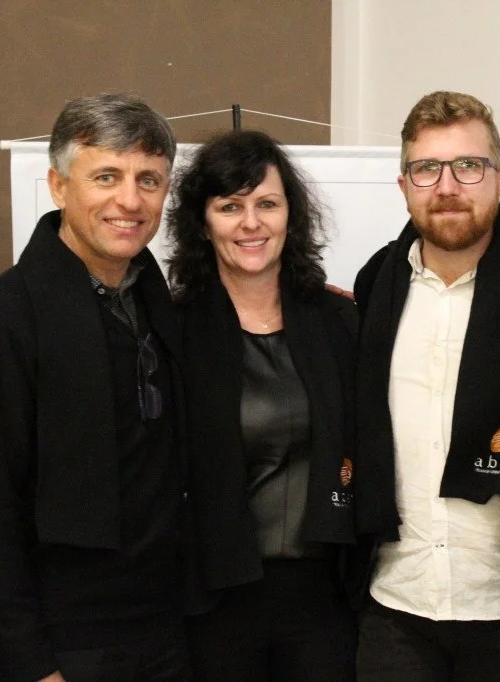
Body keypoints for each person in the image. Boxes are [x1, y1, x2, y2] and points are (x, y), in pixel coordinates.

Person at [0, 94, 189, 681]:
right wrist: (28, 664)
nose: (130, 200)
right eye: (106, 176)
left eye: (149, 180)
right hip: (63, 647)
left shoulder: (157, 301)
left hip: (166, 632)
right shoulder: (3, 323)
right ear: (58, 186)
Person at [353, 90, 500, 681]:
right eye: (427, 168)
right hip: (396, 604)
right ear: (404, 185)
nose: (447, 187)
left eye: (468, 166)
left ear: (499, 179)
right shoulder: (376, 283)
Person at [167, 129, 358, 681]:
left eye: (267, 204)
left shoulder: (340, 323)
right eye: (230, 206)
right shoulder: (173, 332)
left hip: (326, 603)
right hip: (214, 605)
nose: (251, 223)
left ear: (290, 216)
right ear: (203, 222)